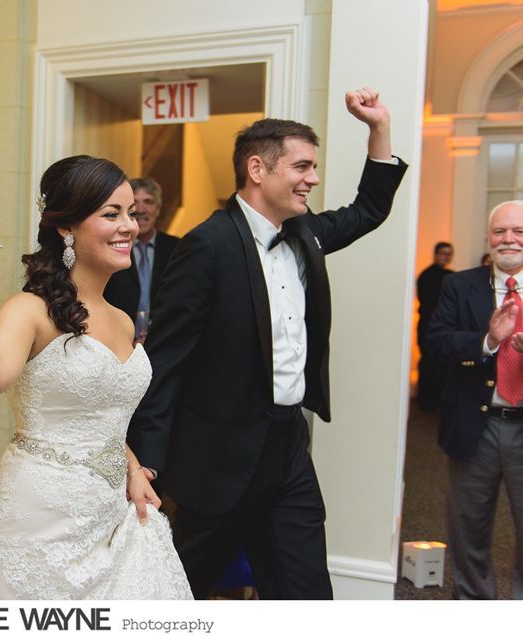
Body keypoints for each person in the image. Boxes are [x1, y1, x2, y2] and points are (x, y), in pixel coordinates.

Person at [127, 87, 407, 600]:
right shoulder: (205, 246)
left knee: (305, 593)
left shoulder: (306, 234)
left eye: (314, 167)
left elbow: (369, 209)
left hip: (288, 447)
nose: (314, 178)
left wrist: (379, 128)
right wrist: (147, 463)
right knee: (178, 592)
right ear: (258, 169)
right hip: (219, 456)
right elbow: (163, 361)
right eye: (302, 167)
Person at [0, 155, 192, 600]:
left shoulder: (123, 321)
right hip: (40, 517)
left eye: (131, 213)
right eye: (111, 214)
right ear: (66, 227)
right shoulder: (29, 310)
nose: (129, 225)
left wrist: (132, 468)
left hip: (113, 513)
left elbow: (103, 414)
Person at [425, 200, 523, 600]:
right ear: (489, 237)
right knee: (469, 534)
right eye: (500, 231)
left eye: (518, 231)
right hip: (473, 429)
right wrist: (487, 341)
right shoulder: (458, 285)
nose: (509, 239)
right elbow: (434, 343)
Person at [103, 177, 179, 342]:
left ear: (158, 209)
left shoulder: (177, 249)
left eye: (149, 202)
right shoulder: (112, 245)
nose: (141, 209)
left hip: (162, 342)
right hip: (117, 340)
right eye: (135, 203)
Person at [416, 242, 454, 410]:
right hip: (428, 325)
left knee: (442, 364)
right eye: (443, 253)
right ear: (435, 254)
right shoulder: (427, 276)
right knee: (429, 363)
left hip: (444, 327)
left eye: (449, 253)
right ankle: (426, 400)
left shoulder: (451, 276)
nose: (446, 256)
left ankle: (436, 400)